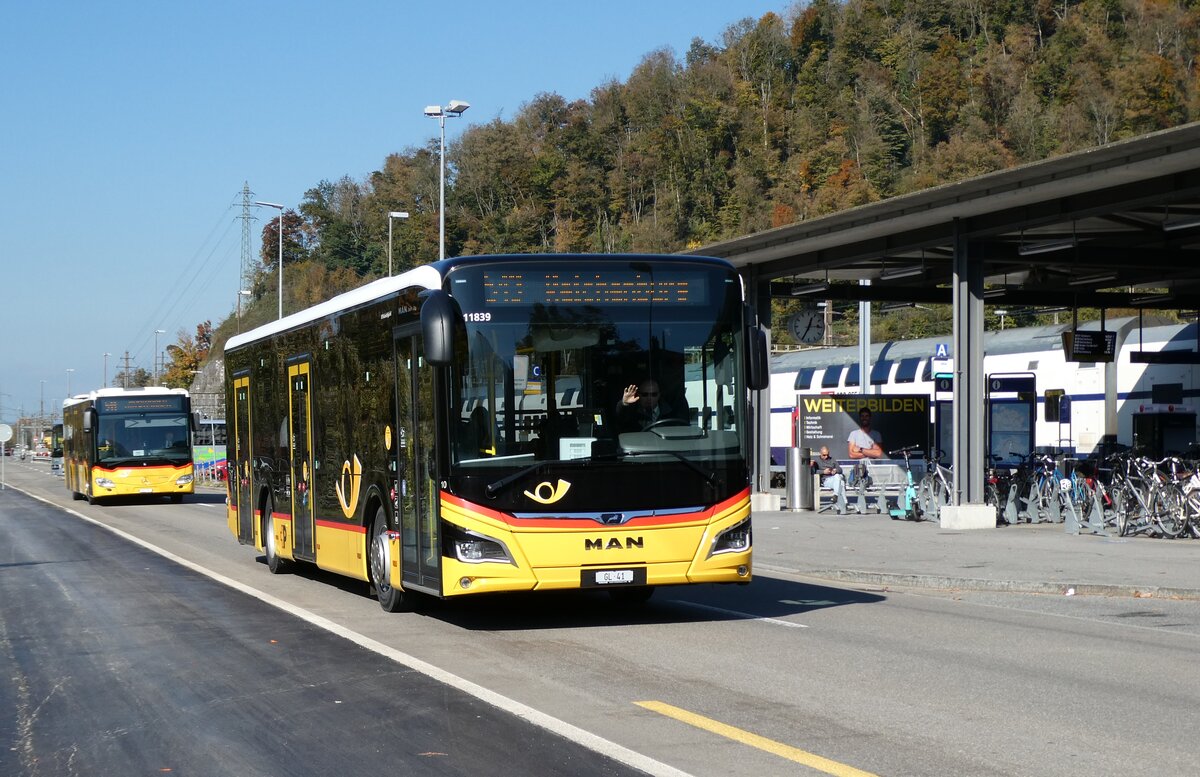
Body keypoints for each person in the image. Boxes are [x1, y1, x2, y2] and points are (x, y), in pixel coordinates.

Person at [616, 378, 686, 432]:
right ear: (638, 395)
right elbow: (621, 418)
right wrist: (624, 403)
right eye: (645, 394)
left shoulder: (671, 412)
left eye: (654, 394)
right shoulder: (632, 413)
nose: (649, 398)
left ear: (659, 395)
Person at [847, 407, 884, 487]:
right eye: (862, 416)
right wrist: (870, 452)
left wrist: (861, 449)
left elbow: (878, 454)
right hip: (857, 470)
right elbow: (851, 454)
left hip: (873, 470)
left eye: (867, 416)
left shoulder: (876, 434)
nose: (864, 418)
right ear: (860, 418)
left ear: (870, 418)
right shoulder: (853, 434)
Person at [813, 445, 847, 514]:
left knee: (839, 479)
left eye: (827, 455)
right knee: (840, 481)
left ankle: (836, 496)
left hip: (835, 478)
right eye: (824, 455)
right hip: (826, 480)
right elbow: (813, 471)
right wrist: (823, 472)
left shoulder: (832, 459)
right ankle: (844, 502)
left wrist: (835, 470)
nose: (826, 456)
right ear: (820, 453)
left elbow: (840, 469)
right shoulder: (816, 461)